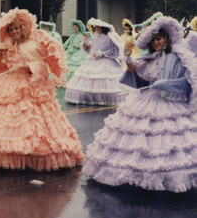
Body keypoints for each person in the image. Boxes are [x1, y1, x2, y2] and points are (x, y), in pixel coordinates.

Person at [0, 8, 85, 170]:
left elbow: (41, 67)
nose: (14, 32)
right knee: (1, 119)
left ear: (22, 28)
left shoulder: (32, 45)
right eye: (11, 29)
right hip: (7, 83)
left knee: (31, 119)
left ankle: (29, 154)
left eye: (16, 29)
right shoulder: (8, 44)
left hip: (29, 84)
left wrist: (24, 65)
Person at [82, 16, 197, 192]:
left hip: (170, 101)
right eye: (154, 40)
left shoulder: (176, 56)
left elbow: (187, 78)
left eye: (159, 39)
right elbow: (136, 70)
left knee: (168, 138)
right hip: (148, 99)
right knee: (138, 137)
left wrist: (166, 84)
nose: (156, 43)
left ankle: (167, 175)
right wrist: (127, 57)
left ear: (165, 38)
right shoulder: (150, 57)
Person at [65, 18, 127, 106]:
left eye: (99, 27)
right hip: (92, 60)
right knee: (89, 80)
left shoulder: (109, 38)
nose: (97, 29)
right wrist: (85, 41)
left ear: (103, 28)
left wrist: (102, 53)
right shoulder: (94, 37)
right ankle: (88, 97)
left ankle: (104, 98)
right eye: (96, 27)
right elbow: (87, 48)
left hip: (105, 61)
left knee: (103, 79)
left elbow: (114, 50)